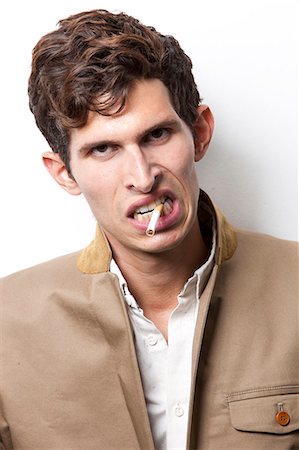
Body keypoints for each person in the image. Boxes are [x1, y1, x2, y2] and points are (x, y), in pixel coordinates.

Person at [0, 8, 298, 450]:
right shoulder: (6, 324)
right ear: (63, 173)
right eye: (103, 149)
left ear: (199, 133)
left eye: (157, 135)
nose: (141, 177)